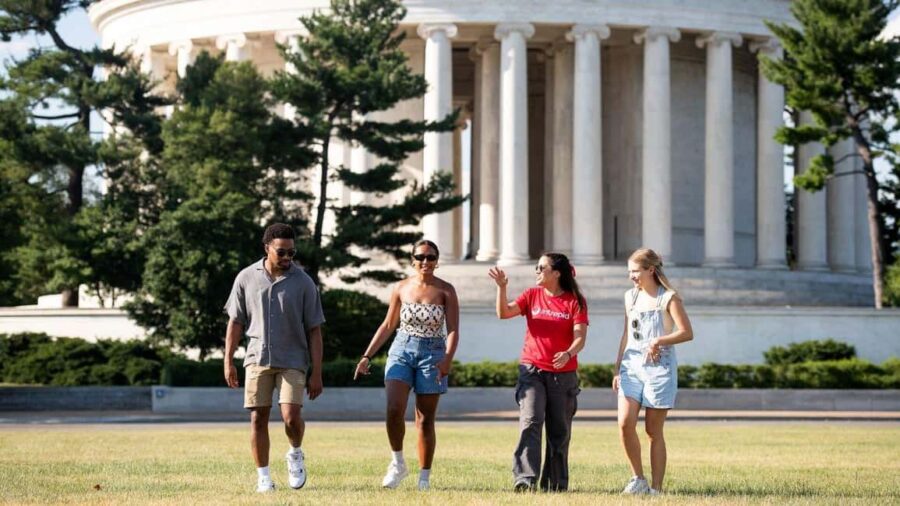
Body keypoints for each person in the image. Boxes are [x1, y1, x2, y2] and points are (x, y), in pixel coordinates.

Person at [223, 223, 326, 493]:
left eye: (292, 253)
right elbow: (235, 322)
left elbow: (315, 330)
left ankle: (295, 453)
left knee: (291, 418)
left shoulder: (304, 282)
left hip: (294, 359)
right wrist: (228, 360)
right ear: (267, 248)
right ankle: (264, 478)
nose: (287, 258)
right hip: (257, 358)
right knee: (258, 418)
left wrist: (317, 372)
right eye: (282, 253)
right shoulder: (246, 278)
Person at [354, 239, 460, 491]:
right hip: (402, 349)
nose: (426, 262)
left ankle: (424, 477)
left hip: (433, 352)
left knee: (424, 419)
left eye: (431, 257)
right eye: (421, 257)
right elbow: (388, 324)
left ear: (437, 260)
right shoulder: (401, 287)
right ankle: (398, 463)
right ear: (412, 260)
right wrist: (367, 356)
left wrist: (447, 359)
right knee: (394, 408)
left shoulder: (446, 290)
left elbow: (454, 329)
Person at [488, 252, 588, 492]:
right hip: (532, 369)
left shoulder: (575, 301)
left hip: (562, 375)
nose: (537, 271)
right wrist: (502, 288)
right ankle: (525, 479)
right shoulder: (531, 295)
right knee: (531, 420)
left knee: (559, 429)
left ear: (557, 273)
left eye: (541, 268)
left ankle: (555, 483)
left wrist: (568, 353)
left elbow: (580, 338)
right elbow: (504, 313)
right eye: (536, 267)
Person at [613, 248, 693, 495]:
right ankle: (638, 479)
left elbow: (686, 332)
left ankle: (656, 488)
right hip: (632, 366)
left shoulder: (669, 298)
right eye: (629, 272)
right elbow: (627, 334)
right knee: (625, 423)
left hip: (660, 368)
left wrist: (659, 341)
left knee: (652, 431)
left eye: (635, 271)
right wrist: (618, 368)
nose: (631, 277)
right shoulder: (630, 297)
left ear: (650, 270)